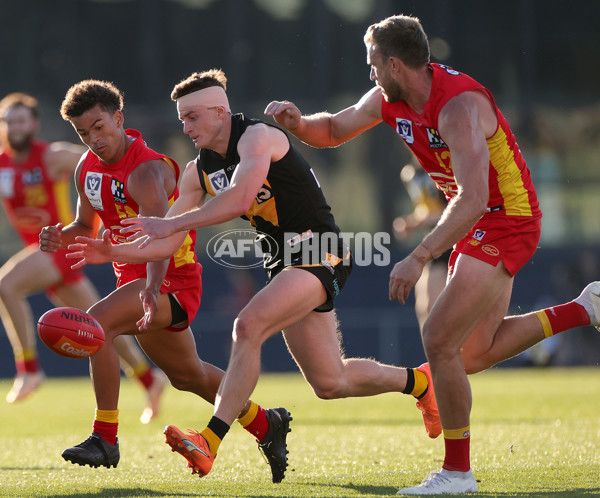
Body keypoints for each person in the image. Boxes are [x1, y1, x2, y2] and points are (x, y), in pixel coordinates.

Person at [263, 13, 600, 495]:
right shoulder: (389, 100)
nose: (370, 72)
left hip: (507, 218)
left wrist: (418, 255)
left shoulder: (457, 107)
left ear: (395, 64)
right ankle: (585, 308)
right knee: (472, 354)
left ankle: (458, 474)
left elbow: (475, 197)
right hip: (480, 221)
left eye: (373, 63)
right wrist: (297, 124)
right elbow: (334, 129)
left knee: (439, 340)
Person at [65, 69, 443, 479]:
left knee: (248, 325)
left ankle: (209, 441)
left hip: (321, 249)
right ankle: (421, 383)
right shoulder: (197, 171)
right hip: (281, 261)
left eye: (193, 117)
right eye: (181, 119)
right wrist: (112, 250)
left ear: (220, 111)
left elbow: (238, 199)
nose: (186, 127)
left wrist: (171, 225)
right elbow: (162, 242)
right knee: (331, 382)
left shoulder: (257, 137)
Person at [39, 80, 291, 483]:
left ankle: (104, 438)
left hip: (172, 280)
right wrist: (59, 236)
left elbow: (160, 240)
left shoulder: (146, 171)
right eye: (83, 133)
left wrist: (153, 291)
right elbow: (84, 225)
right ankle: (266, 423)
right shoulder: (86, 169)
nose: (93, 139)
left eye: (99, 127)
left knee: (95, 325)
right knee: (187, 375)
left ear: (119, 118)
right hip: (136, 282)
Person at [0, 92, 167, 422]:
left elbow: (103, 161)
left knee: (5, 284)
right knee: (98, 328)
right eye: (7, 120)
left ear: (33, 124)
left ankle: (29, 368)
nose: (14, 126)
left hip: (61, 245)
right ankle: (149, 379)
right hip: (49, 254)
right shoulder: (3, 164)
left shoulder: (52, 156)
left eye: (20, 120)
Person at [393, 163, 450, 330]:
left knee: (438, 308)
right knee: (425, 307)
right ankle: (436, 354)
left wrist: (412, 224)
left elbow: (453, 210)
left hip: (453, 240)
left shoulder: (444, 162)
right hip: (434, 242)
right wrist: (410, 222)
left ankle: (451, 353)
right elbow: (427, 210)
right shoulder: (412, 172)